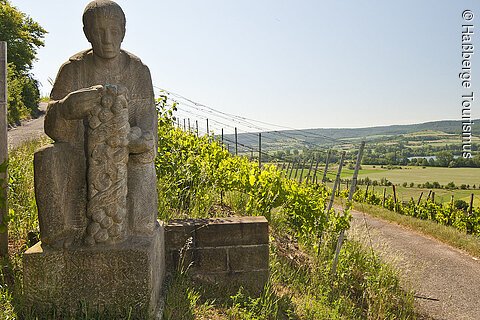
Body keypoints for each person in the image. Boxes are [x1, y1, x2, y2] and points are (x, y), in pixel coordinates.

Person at [38, 0, 158, 248]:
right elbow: (52, 128)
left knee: (142, 164)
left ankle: (136, 229)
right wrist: (66, 108)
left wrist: (133, 140)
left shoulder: (138, 71)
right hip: (80, 156)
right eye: (99, 32)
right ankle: (61, 236)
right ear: (87, 33)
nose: (107, 39)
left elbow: (148, 129)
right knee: (47, 158)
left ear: (123, 32)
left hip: (123, 154)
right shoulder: (73, 70)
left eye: (114, 31)